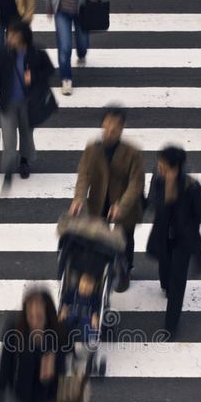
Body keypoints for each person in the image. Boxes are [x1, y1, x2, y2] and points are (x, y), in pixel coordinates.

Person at [69, 105, 145, 292]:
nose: (111, 128)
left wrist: (121, 205)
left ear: (122, 127)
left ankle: (124, 271)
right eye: (108, 122)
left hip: (125, 206)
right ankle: (100, 270)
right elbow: (83, 175)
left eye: (116, 124)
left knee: (125, 240)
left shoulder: (133, 153)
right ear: (103, 123)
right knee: (98, 237)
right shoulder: (92, 149)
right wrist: (78, 198)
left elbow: (136, 183)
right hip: (99, 201)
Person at [146, 146, 201, 338]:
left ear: (175, 168)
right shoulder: (158, 179)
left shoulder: (191, 186)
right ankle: (166, 286)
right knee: (165, 267)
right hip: (163, 234)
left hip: (184, 240)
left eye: (163, 165)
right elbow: (152, 203)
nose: (158, 167)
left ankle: (171, 325)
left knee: (178, 282)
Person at [0, 19, 55, 189]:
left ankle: (24, 162)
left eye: (13, 34)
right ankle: (8, 170)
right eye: (8, 34)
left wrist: (33, 76)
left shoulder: (36, 52)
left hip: (29, 104)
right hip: (7, 103)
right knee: (9, 140)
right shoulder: (4, 53)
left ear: (22, 36)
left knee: (26, 136)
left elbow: (49, 70)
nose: (9, 37)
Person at [0, 287, 66, 402]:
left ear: (47, 314)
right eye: (30, 316)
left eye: (39, 316)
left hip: (52, 392)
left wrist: (54, 363)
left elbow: (70, 360)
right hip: (26, 391)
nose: (34, 322)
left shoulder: (59, 331)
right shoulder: (14, 330)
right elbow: (6, 361)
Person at [46, 0, 100, 95]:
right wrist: (49, 6)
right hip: (61, 12)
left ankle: (82, 54)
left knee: (83, 43)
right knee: (64, 47)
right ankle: (66, 79)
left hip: (82, 11)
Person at [59, 271, 100, 341]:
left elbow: (96, 306)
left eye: (88, 290)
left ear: (92, 290)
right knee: (65, 322)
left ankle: (85, 341)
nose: (84, 291)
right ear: (79, 285)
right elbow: (65, 299)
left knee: (88, 327)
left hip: (86, 314)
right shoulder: (73, 292)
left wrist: (94, 315)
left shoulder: (93, 297)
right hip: (72, 311)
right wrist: (64, 309)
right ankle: (63, 337)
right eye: (82, 288)